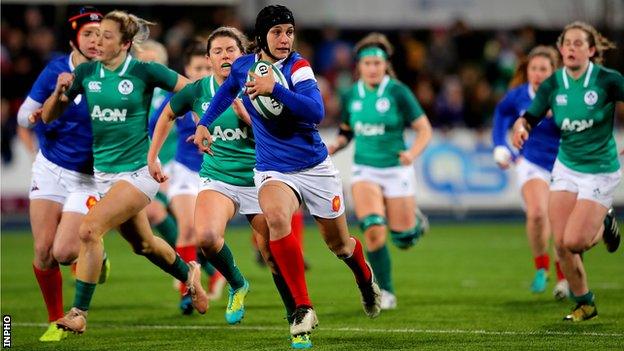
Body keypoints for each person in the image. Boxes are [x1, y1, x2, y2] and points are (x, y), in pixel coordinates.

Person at [194, 5, 381, 348]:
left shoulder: (299, 67)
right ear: (261, 36)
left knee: (339, 245)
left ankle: (365, 278)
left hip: (314, 167)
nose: (285, 38)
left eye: (289, 32)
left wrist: (274, 89)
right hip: (272, 169)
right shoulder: (243, 67)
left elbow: (316, 111)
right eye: (277, 31)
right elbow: (226, 92)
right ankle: (302, 308)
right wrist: (205, 122)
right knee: (278, 218)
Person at [40, 10, 209, 334]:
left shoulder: (145, 72)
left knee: (89, 229)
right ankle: (190, 275)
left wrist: (203, 121)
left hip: (138, 173)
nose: (98, 41)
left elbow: (194, 91)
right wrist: (59, 93)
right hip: (103, 176)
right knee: (143, 245)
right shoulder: (88, 72)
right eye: (97, 34)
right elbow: (49, 116)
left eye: (106, 35)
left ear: (126, 42)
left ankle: (79, 313)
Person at [512, 21, 622, 322]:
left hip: (599, 170)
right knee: (561, 243)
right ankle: (585, 303)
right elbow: (531, 116)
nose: (571, 48)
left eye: (578, 44)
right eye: (567, 44)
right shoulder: (552, 84)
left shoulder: (608, 80)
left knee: (575, 241)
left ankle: (604, 221)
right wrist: (522, 128)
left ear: (591, 50)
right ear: (561, 50)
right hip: (566, 167)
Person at [15, 7, 110, 342]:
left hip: (88, 177)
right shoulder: (56, 70)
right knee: (42, 250)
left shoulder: (112, 75)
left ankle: (95, 250)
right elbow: (24, 116)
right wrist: (44, 108)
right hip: (51, 167)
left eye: (101, 34)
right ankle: (57, 320)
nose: (96, 41)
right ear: (74, 39)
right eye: (88, 34)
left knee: (65, 252)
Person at [327, 32, 432, 310]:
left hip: (397, 170)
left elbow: (424, 129)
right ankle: (385, 291)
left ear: (385, 65)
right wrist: (336, 144)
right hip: (365, 170)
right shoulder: (351, 95)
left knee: (404, 239)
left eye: (377, 63)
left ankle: (414, 225)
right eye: (367, 63)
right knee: (373, 230)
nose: (372, 68)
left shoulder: (398, 91)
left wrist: (412, 153)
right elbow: (347, 130)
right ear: (359, 67)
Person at [148, 38, 226, 314]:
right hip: (184, 170)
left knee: (209, 235)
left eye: (207, 68)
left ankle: (223, 273)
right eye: (197, 68)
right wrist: (153, 157)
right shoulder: (180, 97)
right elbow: (157, 124)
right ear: (187, 70)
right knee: (188, 228)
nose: (204, 73)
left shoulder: (227, 94)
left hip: (219, 172)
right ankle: (188, 290)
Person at [492, 45, 569, 299]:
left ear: (553, 71)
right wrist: (500, 146)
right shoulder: (517, 96)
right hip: (531, 162)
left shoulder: (565, 95)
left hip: (564, 164)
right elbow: (500, 115)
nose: (537, 74)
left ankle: (563, 278)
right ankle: (541, 267)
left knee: (561, 224)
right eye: (533, 69)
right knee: (537, 213)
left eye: (543, 69)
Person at [133, 39, 180, 251]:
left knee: (165, 215)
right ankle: (196, 266)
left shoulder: (173, 94)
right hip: (144, 165)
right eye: (143, 64)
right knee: (152, 214)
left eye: (153, 64)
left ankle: (198, 265)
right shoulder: (129, 94)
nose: (148, 70)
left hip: (175, 166)